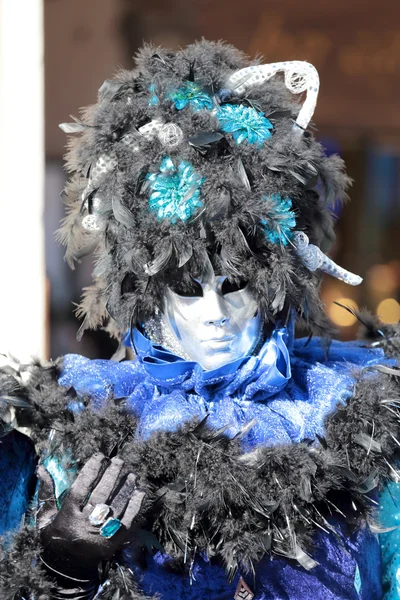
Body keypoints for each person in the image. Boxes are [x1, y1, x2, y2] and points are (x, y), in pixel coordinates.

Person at [0, 40, 399, 600]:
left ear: (272, 289)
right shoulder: (76, 431)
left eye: (235, 284)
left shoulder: (356, 421)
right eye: (188, 288)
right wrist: (65, 570)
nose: (214, 313)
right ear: (149, 297)